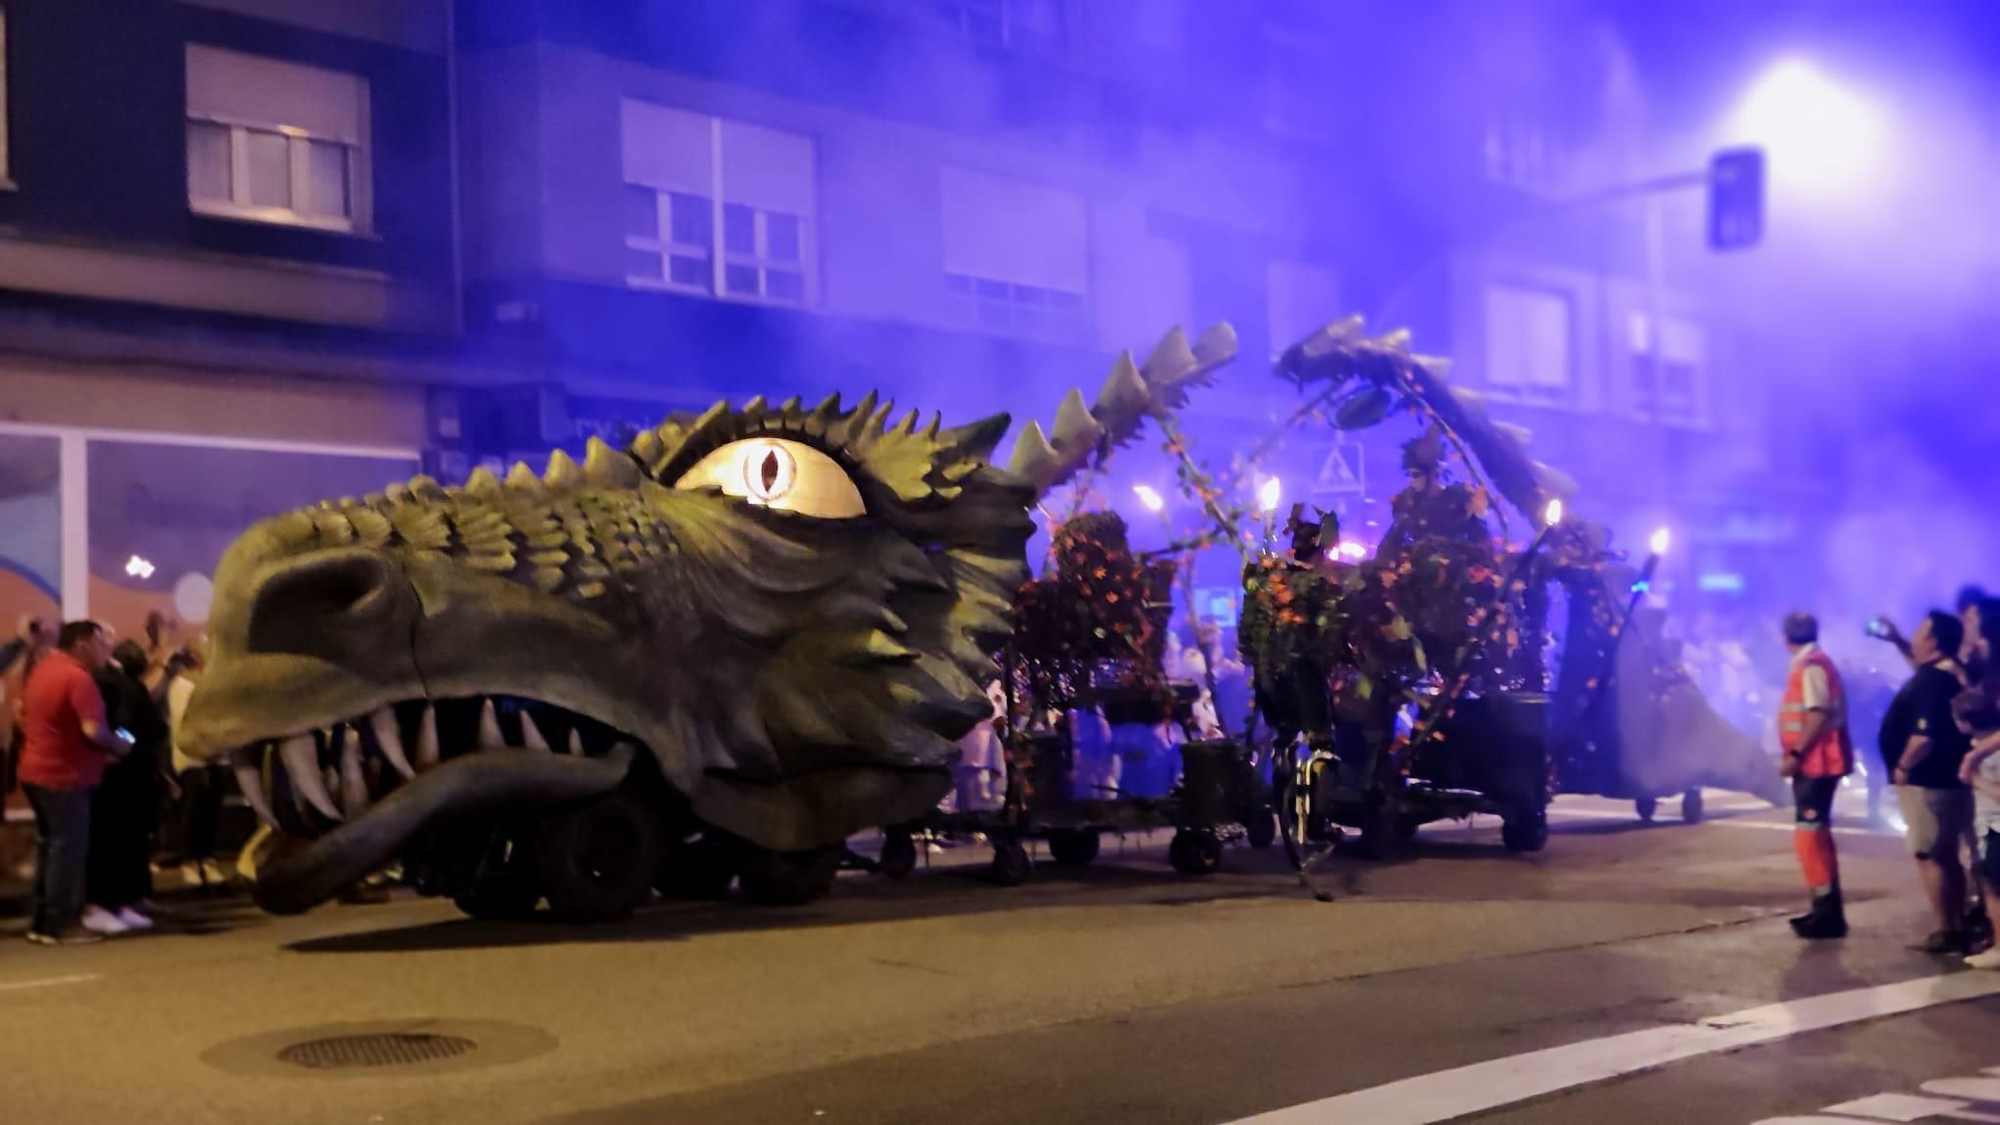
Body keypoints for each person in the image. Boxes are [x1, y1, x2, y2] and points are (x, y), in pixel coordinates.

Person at [19, 621, 135, 945]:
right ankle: (62, 923)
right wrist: (120, 744)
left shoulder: (44, 670)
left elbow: (25, 716)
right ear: (82, 644)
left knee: (50, 849)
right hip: (64, 777)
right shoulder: (78, 678)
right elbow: (92, 730)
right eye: (101, 643)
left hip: (35, 772)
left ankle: (41, 922)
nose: (106, 649)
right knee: (67, 852)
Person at [1879, 610, 1977, 954]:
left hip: (1929, 781)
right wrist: (1895, 639)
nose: (1915, 639)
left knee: (1930, 854)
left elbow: (1924, 735)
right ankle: (1958, 922)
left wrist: (1903, 765)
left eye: (1920, 633)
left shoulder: (1932, 681)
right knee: (1946, 854)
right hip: (1947, 780)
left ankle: (1948, 928)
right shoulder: (1948, 674)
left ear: (1934, 641)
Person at [89, 640, 180, 930]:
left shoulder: (100, 684)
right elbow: (132, 727)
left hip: (112, 773)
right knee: (127, 840)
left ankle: (124, 900)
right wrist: (123, 748)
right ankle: (120, 900)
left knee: (116, 840)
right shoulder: (125, 688)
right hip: (129, 773)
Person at [1776, 613, 1853, 939]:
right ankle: (1825, 908)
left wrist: (1795, 755)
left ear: (1785, 637)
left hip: (1817, 761)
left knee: (1809, 835)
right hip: (1818, 759)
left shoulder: (1811, 666)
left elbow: (1816, 712)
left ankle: (1826, 913)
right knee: (1816, 832)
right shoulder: (1814, 662)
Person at [1954, 688, 2000, 969]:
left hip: (1997, 827)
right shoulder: (1982, 748)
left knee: (1995, 889)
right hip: (1989, 826)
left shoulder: (1990, 756)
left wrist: (1974, 780)